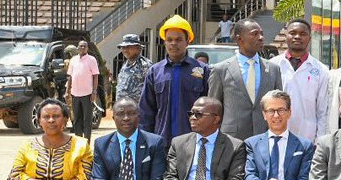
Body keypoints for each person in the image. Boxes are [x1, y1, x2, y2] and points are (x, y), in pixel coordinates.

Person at [208, 18, 283, 141]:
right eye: (254, 34)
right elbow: (214, 109)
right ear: (239, 39)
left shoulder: (273, 69)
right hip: (231, 140)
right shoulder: (220, 70)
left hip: (265, 138)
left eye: (261, 34)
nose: (260, 38)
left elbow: (279, 105)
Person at [140, 15, 208, 146]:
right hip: (161, 142)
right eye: (169, 39)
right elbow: (146, 111)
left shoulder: (202, 70)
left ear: (188, 41)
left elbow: (209, 108)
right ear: (164, 42)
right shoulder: (155, 71)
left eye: (178, 39)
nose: (173, 43)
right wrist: (145, 142)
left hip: (193, 142)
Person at [271, 19, 329, 142]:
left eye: (303, 34)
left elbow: (322, 110)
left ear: (310, 38)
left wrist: (320, 141)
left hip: (307, 138)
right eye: (293, 33)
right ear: (286, 36)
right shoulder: (272, 65)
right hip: (276, 135)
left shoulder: (321, 70)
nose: (297, 37)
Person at [66, 40, 100, 140]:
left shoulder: (91, 59)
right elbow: (70, 76)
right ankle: (78, 142)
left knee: (87, 120)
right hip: (75, 94)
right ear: (77, 48)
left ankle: (87, 142)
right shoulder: (73, 60)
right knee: (77, 120)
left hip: (87, 94)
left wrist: (94, 92)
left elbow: (95, 76)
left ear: (87, 48)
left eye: (84, 46)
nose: (82, 48)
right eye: (81, 46)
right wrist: (67, 91)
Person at [115, 34, 152, 105]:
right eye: (123, 47)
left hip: (137, 110)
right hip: (122, 108)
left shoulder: (145, 65)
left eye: (128, 47)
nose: (125, 50)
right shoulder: (125, 64)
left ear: (138, 48)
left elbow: (151, 89)